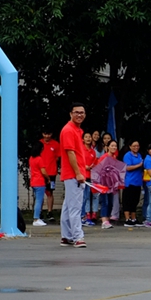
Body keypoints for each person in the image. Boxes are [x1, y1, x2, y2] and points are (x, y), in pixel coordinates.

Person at [59, 103, 88, 248]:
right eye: (76, 112)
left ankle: (66, 236)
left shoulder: (77, 130)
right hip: (73, 174)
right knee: (75, 207)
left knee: (68, 206)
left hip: (74, 174)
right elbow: (70, 153)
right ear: (71, 113)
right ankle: (78, 237)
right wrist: (78, 173)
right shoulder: (69, 130)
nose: (79, 115)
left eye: (82, 112)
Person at [96, 139, 121, 229]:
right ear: (107, 147)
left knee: (110, 202)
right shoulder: (104, 157)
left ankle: (107, 220)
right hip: (104, 183)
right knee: (105, 202)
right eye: (112, 146)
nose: (114, 147)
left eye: (115, 146)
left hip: (111, 184)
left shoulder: (114, 158)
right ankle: (104, 221)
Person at [40, 127, 61, 222]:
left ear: (51, 134)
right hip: (41, 172)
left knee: (50, 192)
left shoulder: (56, 144)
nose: (46, 136)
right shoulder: (39, 144)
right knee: (39, 192)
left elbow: (58, 157)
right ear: (42, 134)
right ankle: (39, 212)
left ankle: (49, 212)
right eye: (45, 134)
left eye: (48, 134)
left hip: (52, 172)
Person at [122, 141, 144, 226]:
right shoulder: (127, 155)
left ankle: (134, 218)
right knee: (127, 200)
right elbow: (127, 167)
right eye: (134, 146)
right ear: (130, 146)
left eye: (137, 146)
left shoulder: (139, 155)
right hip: (130, 181)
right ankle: (127, 219)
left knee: (135, 201)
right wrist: (139, 165)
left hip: (137, 181)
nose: (136, 147)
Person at [29, 141, 50, 226]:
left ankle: (37, 217)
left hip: (33, 181)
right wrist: (48, 178)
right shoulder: (39, 159)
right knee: (39, 200)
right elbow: (43, 171)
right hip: (40, 182)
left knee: (38, 200)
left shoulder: (31, 158)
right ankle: (36, 218)